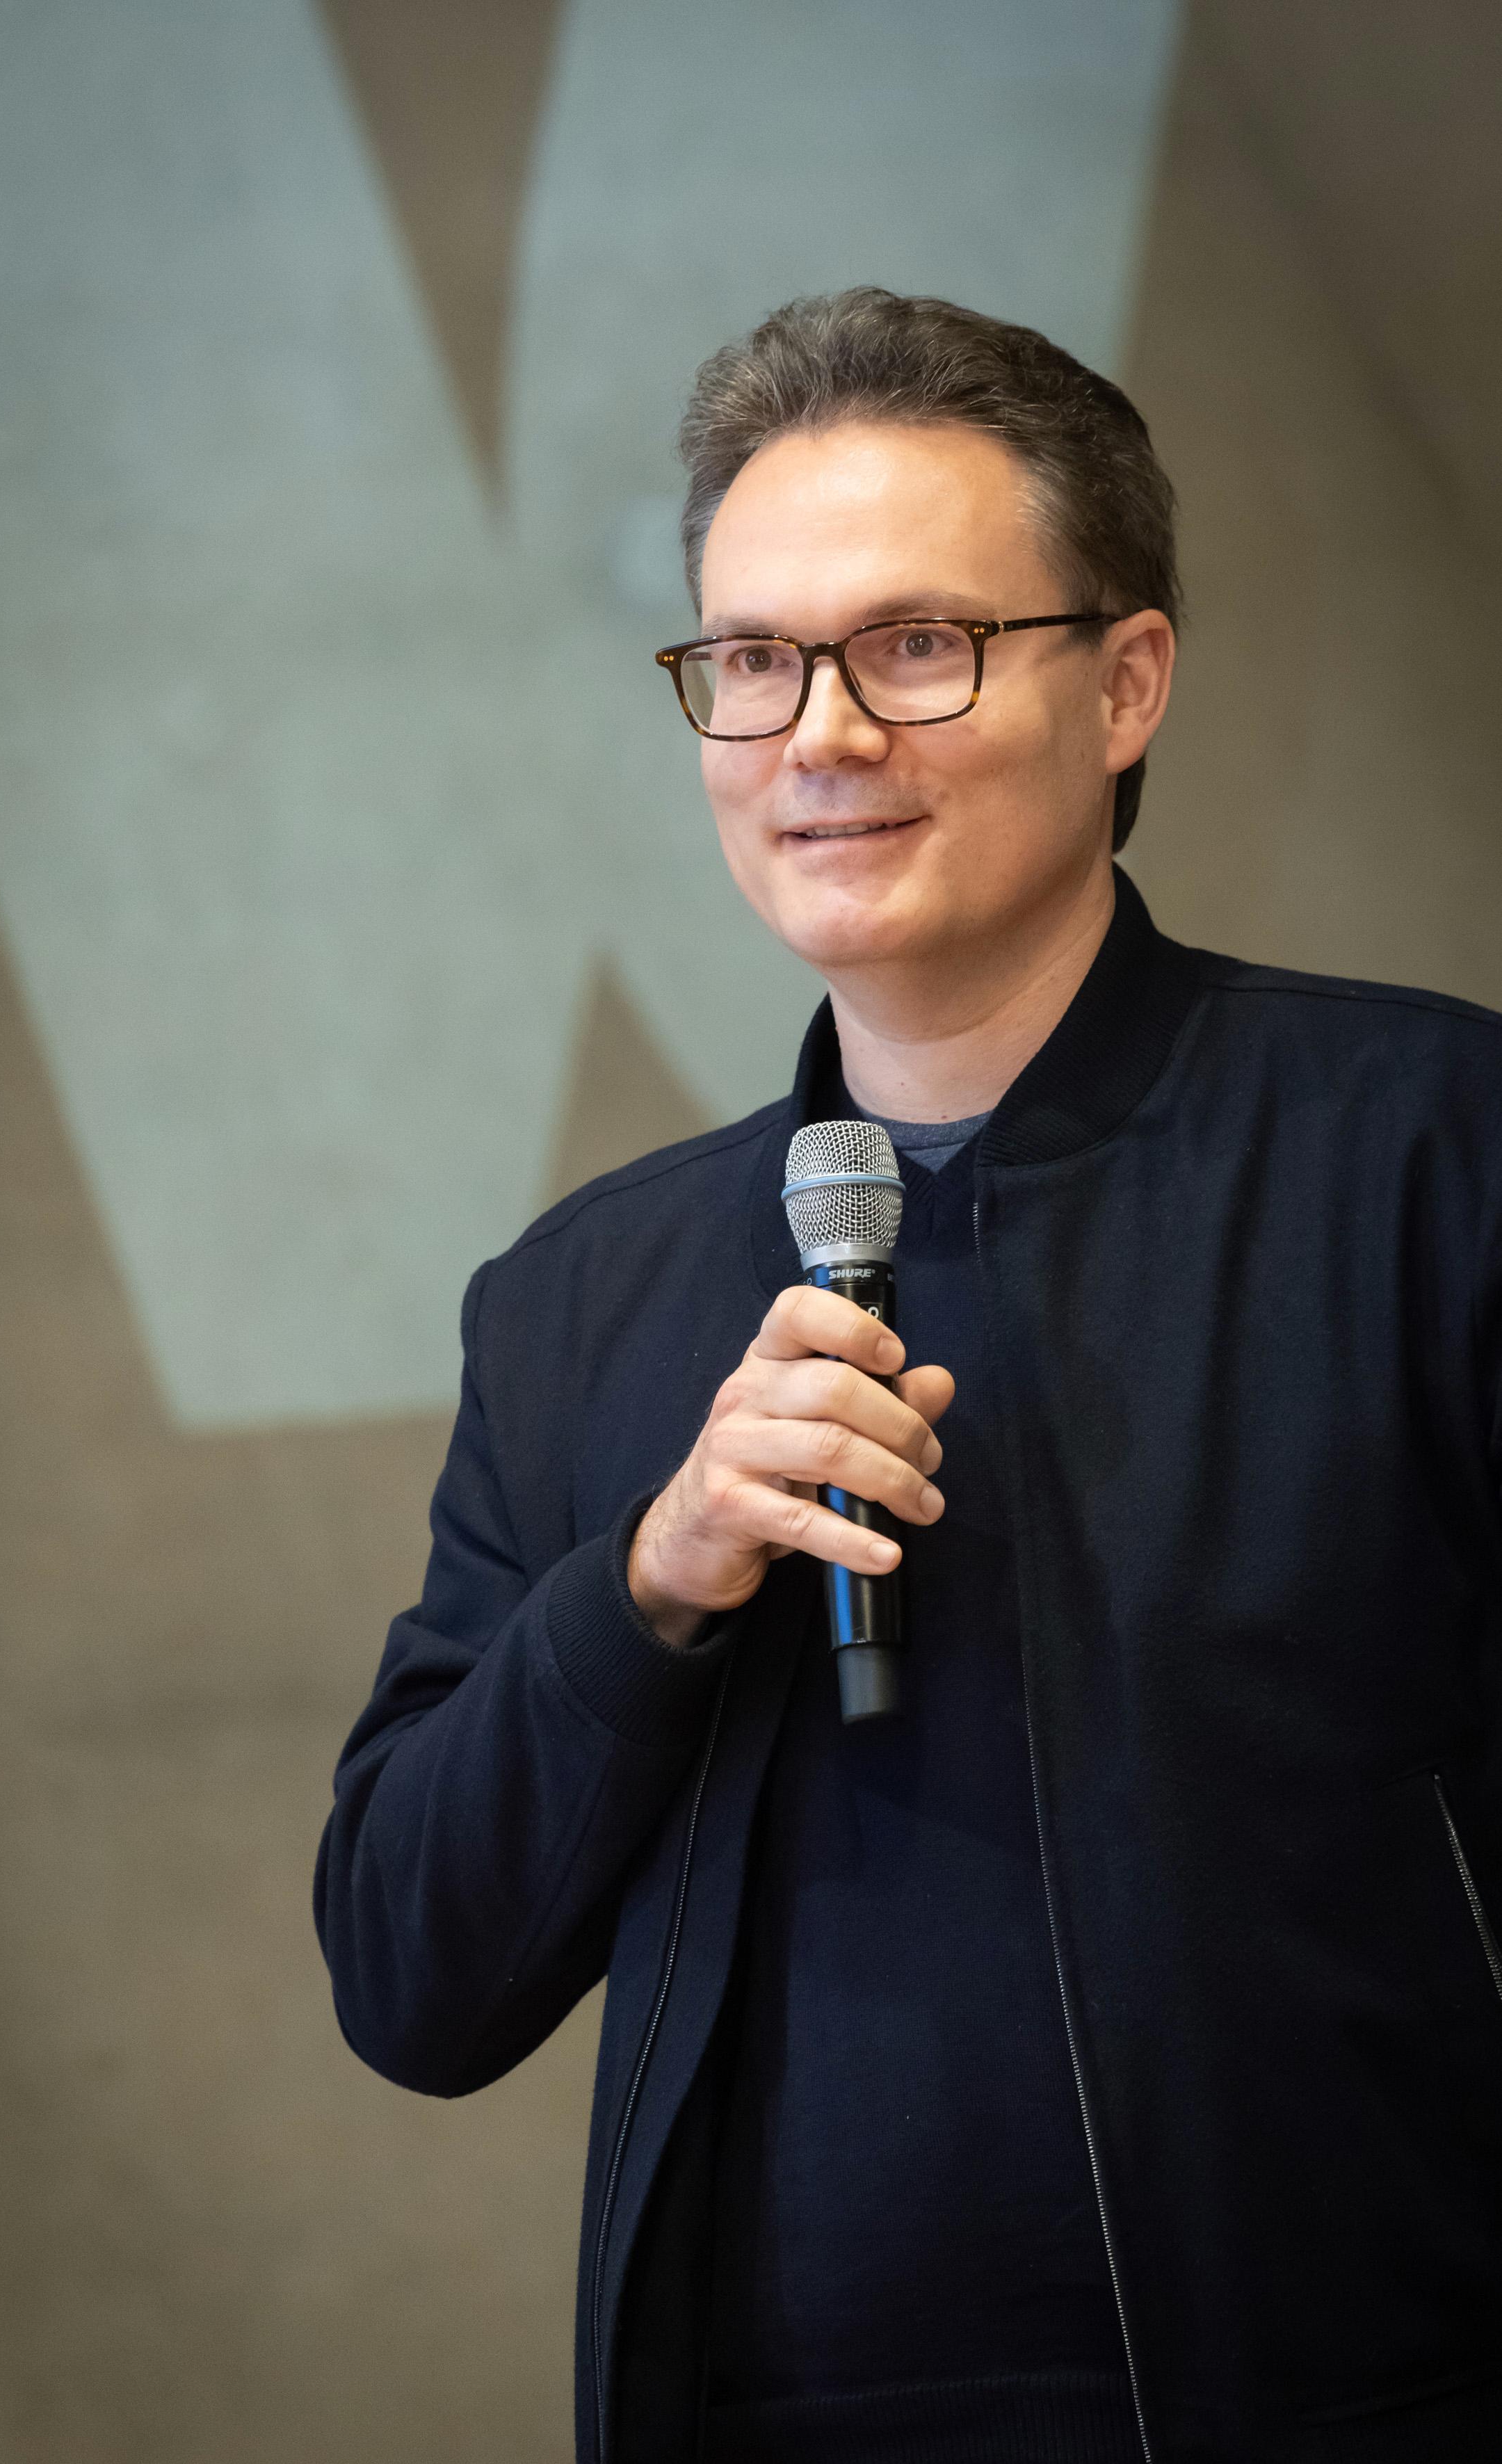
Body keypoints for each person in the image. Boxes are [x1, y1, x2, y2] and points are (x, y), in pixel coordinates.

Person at [316, 289, 1502, 2464]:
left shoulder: (1431, 1161)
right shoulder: (581, 1300)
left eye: (916, 645)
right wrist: (650, 1584)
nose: (821, 735)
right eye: (751, 661)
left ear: (1124, 683)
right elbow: (410, 1976)